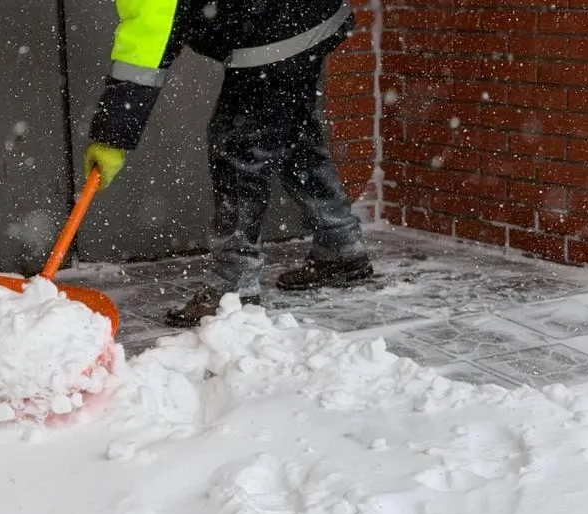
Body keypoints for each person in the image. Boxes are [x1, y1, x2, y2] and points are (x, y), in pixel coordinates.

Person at [85, 0, 373, 328]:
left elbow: (143, 49)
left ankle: (233, 284)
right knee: (292, 130)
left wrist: (111, 139)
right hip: (303, 15)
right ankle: (340, 245)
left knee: (237, 149)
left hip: (276, 25)